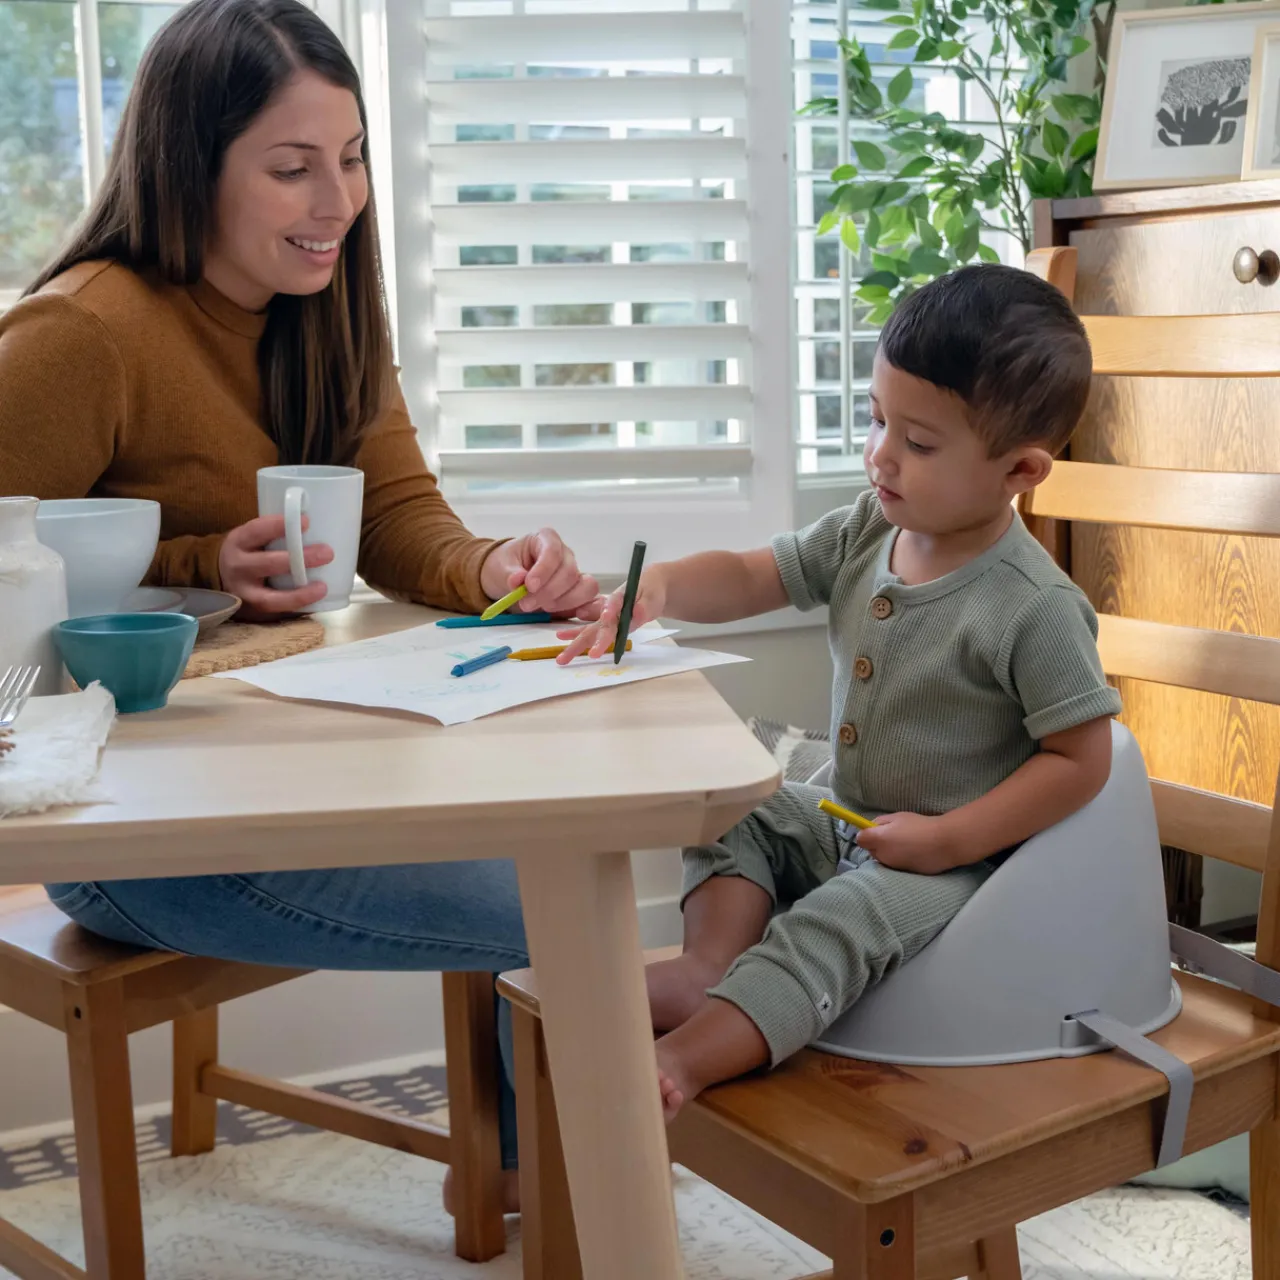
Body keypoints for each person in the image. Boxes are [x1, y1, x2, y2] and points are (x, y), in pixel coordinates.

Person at [0, 0, 605, 1208]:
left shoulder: (323, 309)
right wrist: (194, 564)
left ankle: (525, 1174)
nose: (338, 200)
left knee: (549, 842)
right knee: (548, 903)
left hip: (291, 785)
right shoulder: (84, 334)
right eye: (292, 168)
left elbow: (394, 518)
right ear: (190, 165)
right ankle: (565, 1189)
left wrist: (496, 567)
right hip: (129, 834)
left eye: (351, 157)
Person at [560, 265, 1123, 1119]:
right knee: (734, 803)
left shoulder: (1034, 607)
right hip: (846, 820)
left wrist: (948, 839)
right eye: (876, 419)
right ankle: (712, 966)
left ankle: (689, 1057)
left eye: (920, 443)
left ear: (1020, 469)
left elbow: (1082, 761)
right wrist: (663, 589)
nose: (881, 455)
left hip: (954, 870)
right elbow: (757, 574)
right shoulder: (871, 525)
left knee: (833, 928)